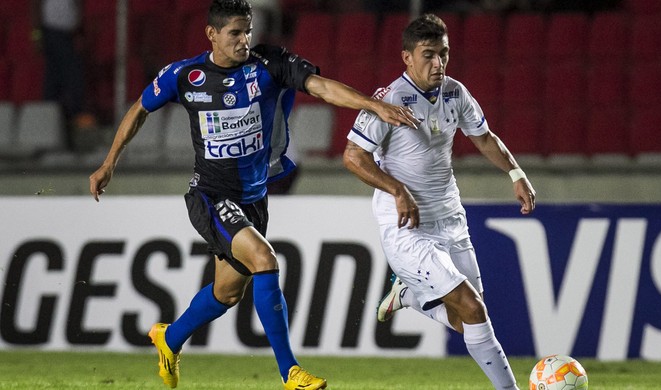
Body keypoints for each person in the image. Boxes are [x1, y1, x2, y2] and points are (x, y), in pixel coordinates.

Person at [88, 1, 417, 389]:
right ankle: (290, 372)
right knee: (264, 259)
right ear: (212, 34)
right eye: (235, 33)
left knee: (227, 294)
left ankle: (169, 338)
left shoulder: (268, 65)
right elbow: (140, 109)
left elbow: (322, 87)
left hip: (254, 198)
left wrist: (371, 103)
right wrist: (109, 162)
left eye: (247, 31)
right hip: (210, 196)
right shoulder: (185, 75)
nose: (245, 40)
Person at [342, 14, 536, 390]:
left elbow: (483, 137)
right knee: (473, 309)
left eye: (443, 55)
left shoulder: (455, 92)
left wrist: (515, 173)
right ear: (407, 58)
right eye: (428, 55)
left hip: (450, 219)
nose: (438, 64)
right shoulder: (389, 101)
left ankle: (410, 297)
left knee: (470, 320)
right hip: (407, 227)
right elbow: (352, 157)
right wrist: (397, 190)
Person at [31, 0, 97, 149]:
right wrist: (36, 34)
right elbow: (36, 5)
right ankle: (63, 125)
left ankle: (60, 130)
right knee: (69, 79)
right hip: (52, 32)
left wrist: (79, 27)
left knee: (57, 80)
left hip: (69, 34)